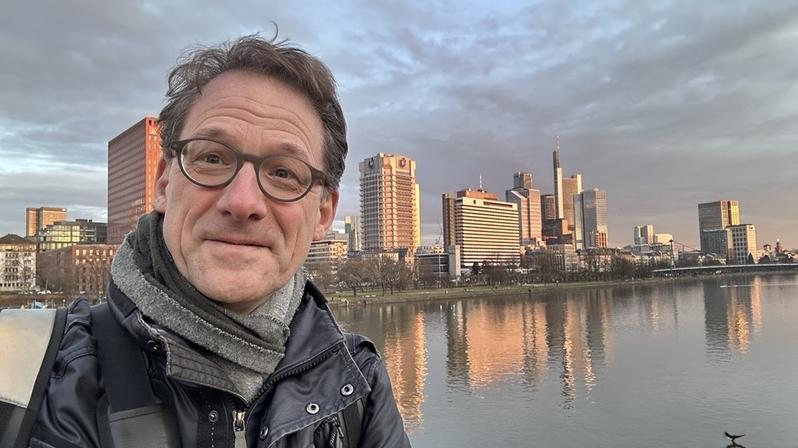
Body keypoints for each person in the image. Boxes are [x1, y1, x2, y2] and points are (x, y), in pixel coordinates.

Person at [10, 34, 410, 447]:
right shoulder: (29, 373)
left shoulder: (359, 384)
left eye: (284, 172)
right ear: (164, 183)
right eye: (212, 158)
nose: (242, 202)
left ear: (322, 213)